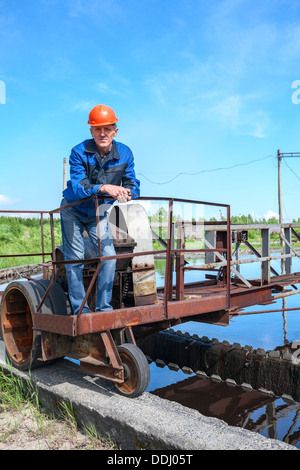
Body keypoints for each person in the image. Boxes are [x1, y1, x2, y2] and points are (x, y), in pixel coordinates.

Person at [60, 104, 140, 315]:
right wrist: (104, 187)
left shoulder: (125, 153)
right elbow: (78, 188)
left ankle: (104, 307)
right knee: (75, 259)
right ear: (91, 131)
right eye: (97, 129)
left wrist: (128, 193)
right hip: (74, 210)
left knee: (109, 257)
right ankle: (81, 311)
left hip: (98, 212)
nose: (102, 133)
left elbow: (133, 184)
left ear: (115, 131)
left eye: (107, 129)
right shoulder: (79, 152)